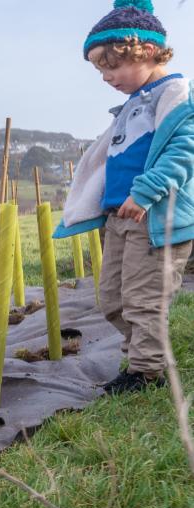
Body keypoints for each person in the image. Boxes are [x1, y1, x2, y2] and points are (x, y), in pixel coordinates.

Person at [55, 0, 194, 394]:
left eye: (111, 66)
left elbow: (184, 151)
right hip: (120, 217)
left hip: (154, 218)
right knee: (112, 299)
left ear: (146, 52)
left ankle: (146, 373)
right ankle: (140, 357)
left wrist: (146, 192)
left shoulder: (177, 95)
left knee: (143, 299)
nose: (105, 76)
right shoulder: (133, 105)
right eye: (100, 68)